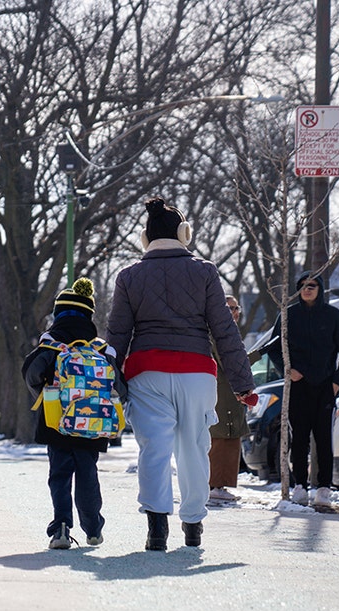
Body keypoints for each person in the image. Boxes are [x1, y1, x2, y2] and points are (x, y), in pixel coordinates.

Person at [107, 196, 254, 551]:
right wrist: (243, 383)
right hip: (196, 372)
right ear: (184, 233)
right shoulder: (204, 271)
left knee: (153, 450)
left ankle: (157, 528)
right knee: (193, 447)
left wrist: (111, 381)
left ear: (146, 238)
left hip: (146, 373)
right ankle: (192, 523)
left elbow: (117, 336)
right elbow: (224, 330)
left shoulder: (129, 277)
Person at [22, 278, 113, 549]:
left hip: (57, 421)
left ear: (58, 314)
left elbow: (31, 375)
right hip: (92, 421)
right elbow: (118, 383)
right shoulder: (100, 348)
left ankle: (61, 528)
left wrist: (46, 395)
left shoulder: (50, 346)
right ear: (89, 314)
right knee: (88, 473)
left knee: (60, 474)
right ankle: (93, 527)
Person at [260, 271, 339, 507]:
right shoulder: (288, 315)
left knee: (323, 440)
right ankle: (299, 485)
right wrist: (287, 370)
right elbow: (273, 348)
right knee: (298, 438)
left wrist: (336, 382)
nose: (308, 289)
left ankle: (323, 488)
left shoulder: (333, 316)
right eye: (303, 285)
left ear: (320, 289)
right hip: (298, 388)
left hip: (325, 388)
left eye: (312, 285)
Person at [208, 295, 248, 503]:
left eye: (235, 308)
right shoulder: (217, 334)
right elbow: (229, 363)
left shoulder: (230, 333)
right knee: (222, 438)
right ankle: (215, 484)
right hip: (223, 393)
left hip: (232, 393)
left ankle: (220, 484)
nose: (233, 312)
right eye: (228, 308)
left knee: (231, 438)